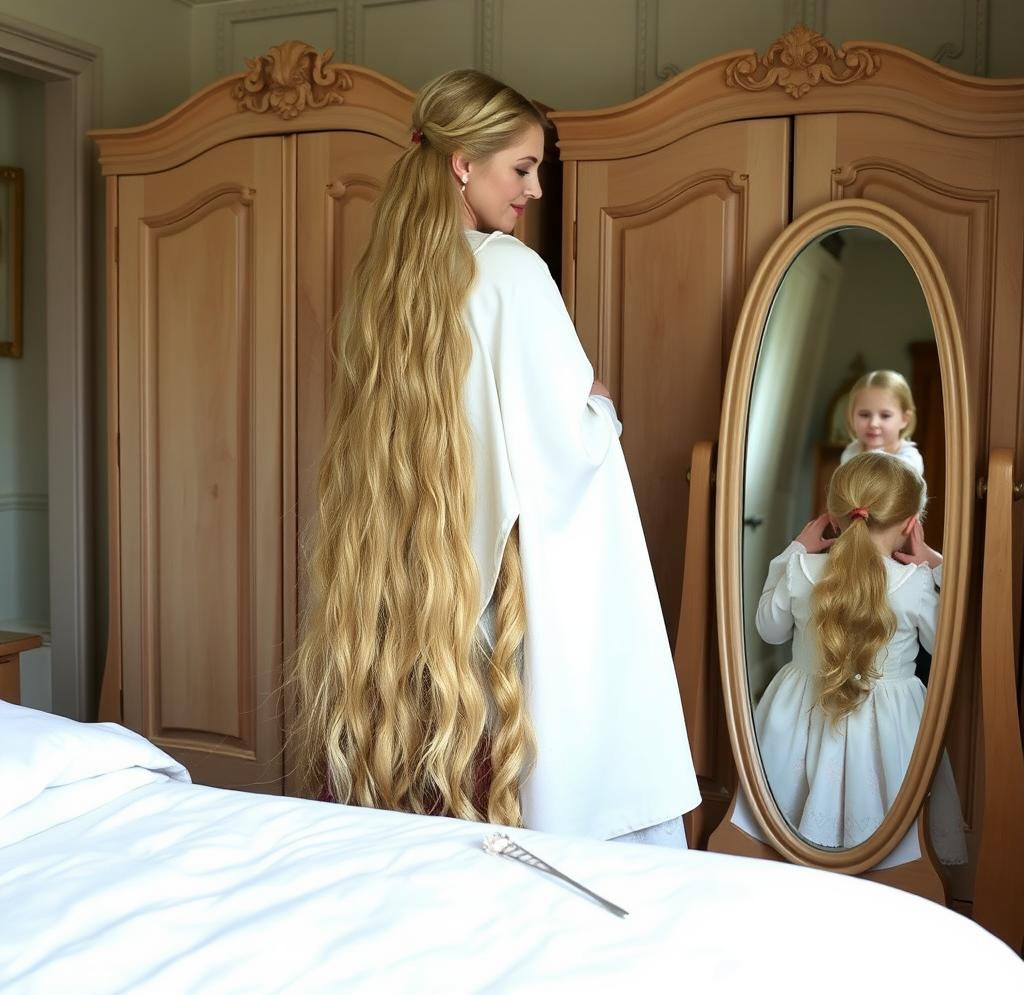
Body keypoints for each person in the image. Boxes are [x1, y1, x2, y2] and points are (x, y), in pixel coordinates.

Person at [289, 69, 699, 845]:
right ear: (461, 163)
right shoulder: (512, 273)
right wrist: (599, 404)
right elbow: (565, 452)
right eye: (522, 167)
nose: (536, 190)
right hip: (499, 616)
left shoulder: (388, 284)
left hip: (413, 606)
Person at [734, 452, 965, 864]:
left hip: (802, 711)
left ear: (833, 518)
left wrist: (792, 552)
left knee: (786, 815)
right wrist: (937, 564)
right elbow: (944, 646)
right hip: (890, 719)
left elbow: (768, 630)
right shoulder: (916, 584)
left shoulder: (802, 570)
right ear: (910, 524)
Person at [840, 369, 924, 475]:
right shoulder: (851, 452)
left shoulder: (909, 461)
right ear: (851, 416)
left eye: (885, 416)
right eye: (864, 415)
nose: (873, 424)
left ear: (904, 419)